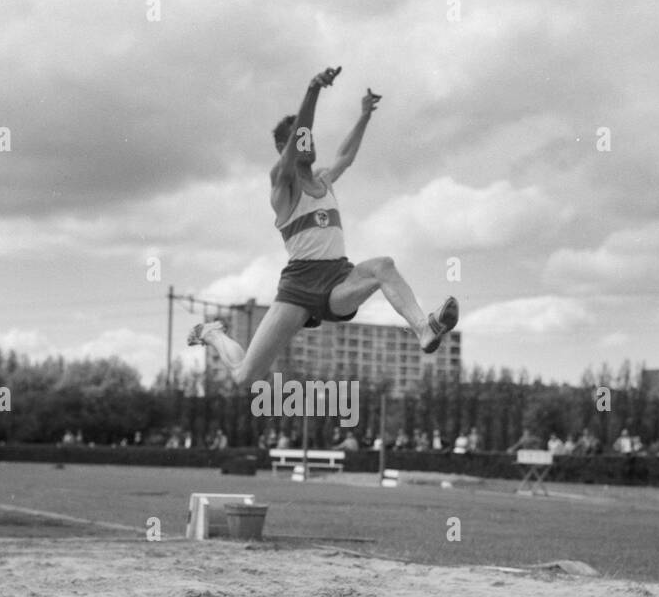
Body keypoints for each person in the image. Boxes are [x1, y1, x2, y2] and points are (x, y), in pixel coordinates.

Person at [188, 66, 458, 387]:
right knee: (246, 376)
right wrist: (313, 89)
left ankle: (423, 328)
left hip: (336, 280)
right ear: (288, 149)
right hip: (298, 288)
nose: (309, 142)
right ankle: (213, 334)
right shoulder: (282, 187)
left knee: (383, 266)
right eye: (302, 138)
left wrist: (364, 116)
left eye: (311, 138)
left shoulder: (325, 179)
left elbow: (345, 155)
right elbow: (301, 130)